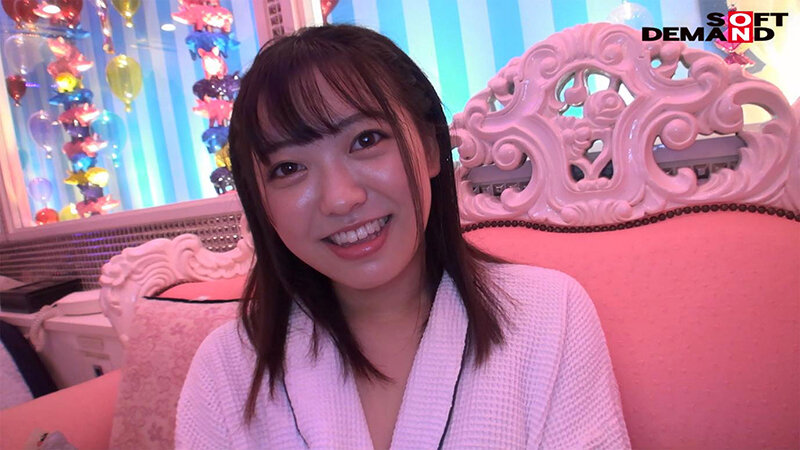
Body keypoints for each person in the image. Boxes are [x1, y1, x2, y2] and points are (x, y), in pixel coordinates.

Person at [176, 24, 630, 449]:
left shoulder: (549, 315)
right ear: (261, 204)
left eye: (366, 140)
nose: (340, 199)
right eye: (289, 168)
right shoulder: (226, 369)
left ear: (430, 147)